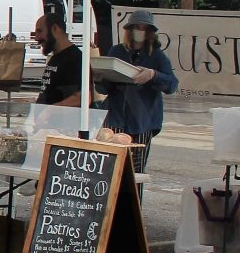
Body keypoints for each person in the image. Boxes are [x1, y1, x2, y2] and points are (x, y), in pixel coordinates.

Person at [101, 10, 177, 174]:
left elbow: (172, 84)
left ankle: (131, 200)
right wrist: (100, 76)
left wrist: (153, 75)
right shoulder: (116, 52)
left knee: (134, 172)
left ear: (150, 32)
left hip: (142, 121)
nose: (139, 31)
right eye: (136, 27)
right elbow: (103, 88)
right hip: (114, 120)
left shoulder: (156, 56)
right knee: (108, 170)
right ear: (128, 30)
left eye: (144, 28)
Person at [33, 13, 89, 108]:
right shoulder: (56, 57)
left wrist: (50, 110)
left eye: (40, 31)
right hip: (49, 122)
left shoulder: (75, 59)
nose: (36, 38)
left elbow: (82, 97)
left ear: (55, 29)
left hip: (64, 121)